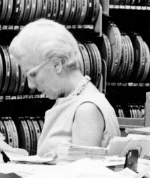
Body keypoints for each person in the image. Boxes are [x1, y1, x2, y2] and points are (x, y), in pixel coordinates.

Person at [9, 18, 120, 157]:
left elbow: (80, 177)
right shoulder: (77, 102)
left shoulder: (86, 110)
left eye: (33, 74)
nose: (31, 84)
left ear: (57, 64)